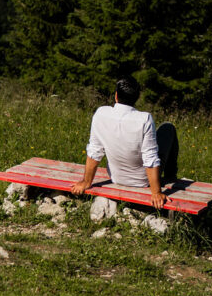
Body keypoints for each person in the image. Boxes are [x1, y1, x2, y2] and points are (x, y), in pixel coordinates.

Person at [68, 75, 179, 210]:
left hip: (116, 177)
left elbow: (95, 151)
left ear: (116, 96)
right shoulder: (145, 119)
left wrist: (86, 182)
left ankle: (169, 177)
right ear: (136, 98)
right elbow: (150, 158)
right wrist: (156, 192)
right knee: (168, 128)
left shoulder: (101, 113)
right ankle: (170, 177)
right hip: (142, 181)